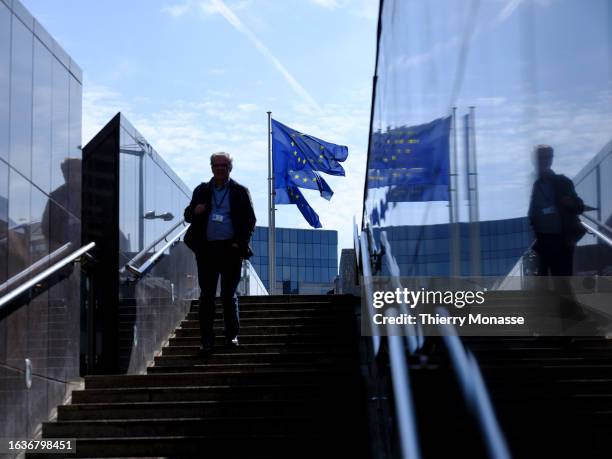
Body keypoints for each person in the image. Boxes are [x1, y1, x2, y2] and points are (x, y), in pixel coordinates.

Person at [184, 152, 256, 356]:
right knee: (206, 297)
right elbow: (188, 216)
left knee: (227, 295)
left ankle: (231, 335)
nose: (220, 169)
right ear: (211, 167)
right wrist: (195, 211)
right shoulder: (202, 190)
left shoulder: (240, 191)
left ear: (230, 168)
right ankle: (207, 341)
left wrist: (239, 243)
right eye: (216, 165)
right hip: (206, 250)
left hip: (230, 250)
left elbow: (250, 220)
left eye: (224, 165)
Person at [528, 144, 585, 277]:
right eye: (540, 157)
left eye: (547, 157)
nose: (544, 160)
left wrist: (570, 203)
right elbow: (532, 214)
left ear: (551, 159)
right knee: (543, 283)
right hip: (544, 242)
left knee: (562, 283)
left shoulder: (563, 182)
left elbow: (579, 206)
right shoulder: (536, 185)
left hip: (562, 242)